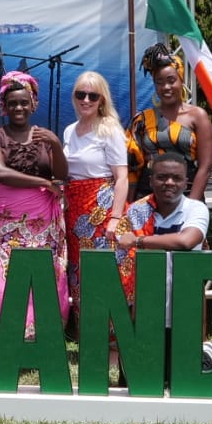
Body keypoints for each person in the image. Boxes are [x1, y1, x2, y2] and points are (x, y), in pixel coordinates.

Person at [0, 70, 69, 339]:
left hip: (43, 221)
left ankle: (43, 341)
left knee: (43, 277)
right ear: (3, 107)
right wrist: (41, 183)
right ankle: (7, 342)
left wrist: (55, 144)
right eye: (12, 103)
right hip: (5, 221)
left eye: (24, 102)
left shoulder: (44, 136)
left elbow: (61, 173)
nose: (18, 107)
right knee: (3, 278)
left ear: (34, 104)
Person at [114, 151, 211, 389]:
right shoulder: (137, 211)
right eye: (162, 177)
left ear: (186, 182)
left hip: (184, 311)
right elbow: (123, 265)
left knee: (182, 382)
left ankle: (206, 352)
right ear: (151, 180)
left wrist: (139, 241)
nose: (169, 183)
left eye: (176, 178)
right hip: (146, 311)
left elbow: (186, 241)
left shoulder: (195, 209)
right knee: (137, 383)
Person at [62, 70, 128, 325]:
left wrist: (115, 217)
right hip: (75, 207)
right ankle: (87, 328)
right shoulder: (69, 131)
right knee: (78, 270)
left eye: (93, 95)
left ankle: (111, 334)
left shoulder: (109, 129)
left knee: (103, 270)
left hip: (100, 208)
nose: (86, 100)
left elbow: (121, 178)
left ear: (102, 99)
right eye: (81, 94)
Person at [129, 43, 212, 199]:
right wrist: (128, 208)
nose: (166, 87)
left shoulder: (197, 116)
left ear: (181, 80)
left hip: (187, 196)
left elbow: (205, 167)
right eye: (159, 82)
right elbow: (132, 168)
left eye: (171, 80)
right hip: (147, 199)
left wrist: (191, 206)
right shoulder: (142, 120)